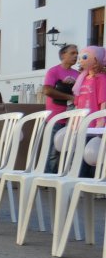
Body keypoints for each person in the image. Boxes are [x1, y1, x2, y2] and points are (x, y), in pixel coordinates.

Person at [43, 44, 79, 173]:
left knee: (68, 150)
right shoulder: (54, 71)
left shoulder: (78, 74)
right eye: (72, 53)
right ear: (63, 55)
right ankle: (47, 179)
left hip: (72, 119)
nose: (76, 55)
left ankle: (59, 177)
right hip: (55, 118)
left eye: (76, 53)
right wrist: (69, 97)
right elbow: (47, 90)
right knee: (53, 152)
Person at [72, 45, 106, 178]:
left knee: (96, 153)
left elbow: (103, 100)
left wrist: (101, 120)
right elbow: (77, 102)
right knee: (81, 152)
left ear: (96, 59)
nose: (80, 60)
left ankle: (98, 181)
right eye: (79, 58)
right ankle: (80, 180)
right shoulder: (82, 78)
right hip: (82, 123)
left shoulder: (101, 79)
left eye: (84, 57)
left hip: (95, 123)